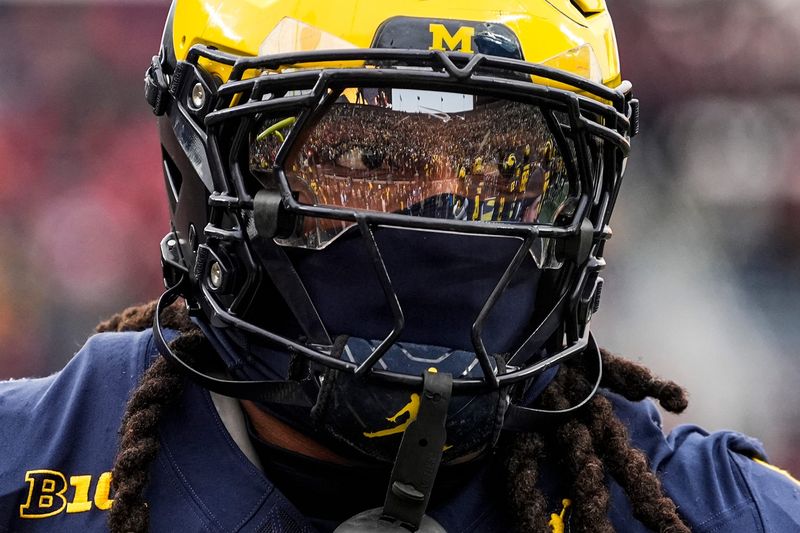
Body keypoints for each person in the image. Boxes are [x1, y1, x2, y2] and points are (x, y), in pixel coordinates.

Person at [1, 1, 798, 532]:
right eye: (366, 157)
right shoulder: (28, 466)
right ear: (207, 174)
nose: (441, 214)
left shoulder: (713, 512)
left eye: (506, 166)